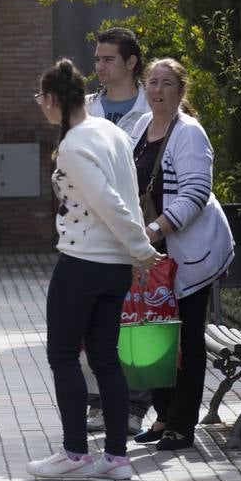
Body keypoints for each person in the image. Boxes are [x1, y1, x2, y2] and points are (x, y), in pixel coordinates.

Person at [27, 59, 161, 481]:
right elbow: (129, 194)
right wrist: (134, 251)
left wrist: (142, 249)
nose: (41, 107)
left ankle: (75, 452)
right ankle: (117, 458)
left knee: (63, 355)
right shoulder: (111, 131)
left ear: (52, 99)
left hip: (84, 262)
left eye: (40, 100)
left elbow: (108, 201)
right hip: (115, 266)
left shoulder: (74, 143)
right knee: (106, 359)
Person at [128, 58, 234, 453]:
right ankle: (163, 415)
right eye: (152, 82)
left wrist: (152, 232)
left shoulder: (189, 133)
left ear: (180, 90)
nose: (158, 90)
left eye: (167, 83)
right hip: (152, 255)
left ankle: (182, 425)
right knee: (155, 333)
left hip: (187, 255)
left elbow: (195, 194)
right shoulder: (140, 126)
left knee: (186, 340)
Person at [82, 27, 152, 435]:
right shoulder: (87, 109)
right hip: (92, 235)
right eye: (97, 60)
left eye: (109, 59)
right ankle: (97, 404)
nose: (101, 67)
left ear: (131, 62)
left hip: (137, 232)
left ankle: (134, 408)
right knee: (92, 323)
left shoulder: (151, 108)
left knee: (138, 319)